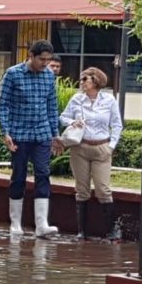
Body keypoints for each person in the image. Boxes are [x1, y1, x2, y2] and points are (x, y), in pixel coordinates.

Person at [0, 39, 61, 237]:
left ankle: (41, 223)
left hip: (41, 133)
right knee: (19, 175)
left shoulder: (49, 76)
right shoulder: (13, 74)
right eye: (42, 59)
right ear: (31, 56)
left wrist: (55, 135)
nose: (45, 64)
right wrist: (5, 132)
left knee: (43, 173)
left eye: (48, 60)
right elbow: (3, 105)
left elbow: (52, 106)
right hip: (19, 133)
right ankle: (15, 222)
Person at [59, 67, 123, 240]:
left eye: (85, 79)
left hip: (102, 147)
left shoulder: (109, 100)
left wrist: (111, 146)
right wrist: (73, 121)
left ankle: (112, 230)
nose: (81, 82)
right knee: (81, 189)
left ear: (95, 81)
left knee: (103, 189)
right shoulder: (77, 99)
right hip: (80, 147)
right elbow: (63, 117)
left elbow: (117, 124)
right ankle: (82, 231)